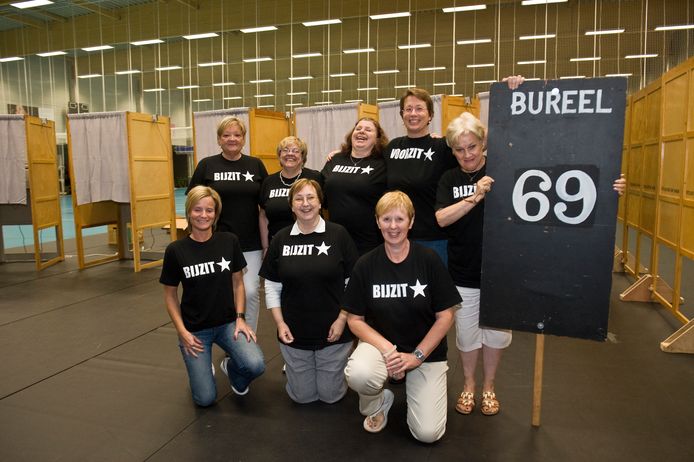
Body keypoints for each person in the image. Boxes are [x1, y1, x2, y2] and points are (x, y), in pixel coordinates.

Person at [435, 107, 627, 417]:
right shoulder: (449, 178)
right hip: (463, 270)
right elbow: (441, 219)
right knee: (467, 335)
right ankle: (469, 385)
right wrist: (474, 197)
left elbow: (559, 182)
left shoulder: (507, 168)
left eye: (472, 146)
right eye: (459, 149)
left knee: (496, 334)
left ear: (484, 144)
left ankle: (489, 387)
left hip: (504, 269)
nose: (466, 154)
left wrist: (608, 187)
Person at [343, 191, 461, 443]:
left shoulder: (429, 260)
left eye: (399, 219)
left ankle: (419, 387)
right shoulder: (366, 264)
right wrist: (388, 351)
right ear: (377, 222)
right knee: (359, 374)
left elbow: (446, 316)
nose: (393, 226)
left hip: (425, 354)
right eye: (386, 219)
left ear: (411, 220)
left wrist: (416, 357)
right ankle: (378, 402)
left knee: (428, 434)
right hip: (382, 349)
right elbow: (354, 319)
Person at [160, 186, 265, 407]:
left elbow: (238, 284)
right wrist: (182, 332)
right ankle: (202, 371)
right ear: (189, 212)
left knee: (256, 365)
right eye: (198, 210)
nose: (203, 215)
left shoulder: (228, 241)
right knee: (205, 399)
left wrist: (240, 318)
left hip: (228, 323)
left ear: (216, 214)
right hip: (195, 330)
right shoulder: (176, 250)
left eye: (209, 210)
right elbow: (170, 296)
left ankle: (232, 372)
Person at [260, 179, 359, 404]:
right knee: (302, 397)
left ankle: (335, 368)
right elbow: (273, 287)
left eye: (311, 197)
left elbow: (352, 284)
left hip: (333, 332)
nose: (306, 204)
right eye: (299, 198)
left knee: (330, 396)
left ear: (320, 202)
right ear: (291, 205)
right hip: (294, 333)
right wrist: (280, 324)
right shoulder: (281, 239)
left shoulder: (338, 234)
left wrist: (343, 319)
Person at [187, 116, 268, 332]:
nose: (232, 139)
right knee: (216, 296)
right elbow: (193, 202)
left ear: (243, 139)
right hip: (215, 243)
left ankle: (246, 341)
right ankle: (216, 341)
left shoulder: (255, 165)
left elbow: (267, 206)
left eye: (237, 135)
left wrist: (268, 243)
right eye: (226, 135)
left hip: (249, 243)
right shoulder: (207, 165)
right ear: (219, 139)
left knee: (249, 293)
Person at [382, 88, 458, 265]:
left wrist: (510, 88)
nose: (413, 113)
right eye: (408, 109)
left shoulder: (442, 147)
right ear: (402, 115)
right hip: (396, 236)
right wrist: (343, 151)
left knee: (433, 291)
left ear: (430, 115)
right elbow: (366, 156)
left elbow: (478, 144)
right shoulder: (393, 147)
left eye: (419, 108)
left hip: (433, 239)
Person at [322, 117, 388, 255]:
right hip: (335, 239)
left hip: (369, 241)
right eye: (358, 128)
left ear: (377, 139)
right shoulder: (335, 160)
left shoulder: (383, 163)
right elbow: (320, 192)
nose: (361, 132)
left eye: (368, 129)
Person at [259, 136, 323, 243]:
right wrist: (265, 246)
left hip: (312, 242)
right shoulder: (269, 181)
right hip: (277, 243)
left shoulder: (315, 177)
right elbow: (263, 216)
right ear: (279, 155)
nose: (290, 154)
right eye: (285, 150)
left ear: (303, 157)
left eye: (295, 151)